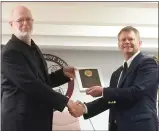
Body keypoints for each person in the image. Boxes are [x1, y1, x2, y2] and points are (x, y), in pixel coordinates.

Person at [1, 6, 83, 131]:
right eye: (20, 20)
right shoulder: (10, 52)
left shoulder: (33, 47)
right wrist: (66, 102)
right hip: (20, 122)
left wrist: (62, 74)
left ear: (33, 22)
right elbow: (31, 85)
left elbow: (41, 81)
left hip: (37, 119)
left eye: (28, 19)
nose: (25, 23)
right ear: (11, 24)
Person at [70, 26, 159, 131]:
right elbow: (112, 100)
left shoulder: (148, 63)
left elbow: (136, 92)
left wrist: (103, 91)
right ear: (119, 45)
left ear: (140, 43)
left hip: (141, 126)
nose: (126, 42)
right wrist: (85, 108)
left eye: (130, 39)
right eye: (123, 39)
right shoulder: (117, 73)